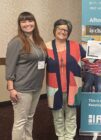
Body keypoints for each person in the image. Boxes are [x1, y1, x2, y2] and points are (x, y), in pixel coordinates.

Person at [5, 12, 47, 140]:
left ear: (34, 22)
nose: (27, 24)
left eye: (30, 21)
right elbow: (10, 66)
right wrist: (11, 89)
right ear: (19, 25)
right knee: (20, 122)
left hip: (36, 86)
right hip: (22, 88)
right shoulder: (16, 41)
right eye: (23, 22)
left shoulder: (39, 40)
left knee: (30, 117)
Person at [46, 19, 86, 140]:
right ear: (54, 29)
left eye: (66, 30)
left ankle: (69, 137)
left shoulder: (76, 46)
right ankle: (60, 136)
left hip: (73, 87)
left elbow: (88, 56)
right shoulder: (46, 46)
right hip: (54, 87)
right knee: (57, 115)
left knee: (71, 115)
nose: (62, 31)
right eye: (60, 28)